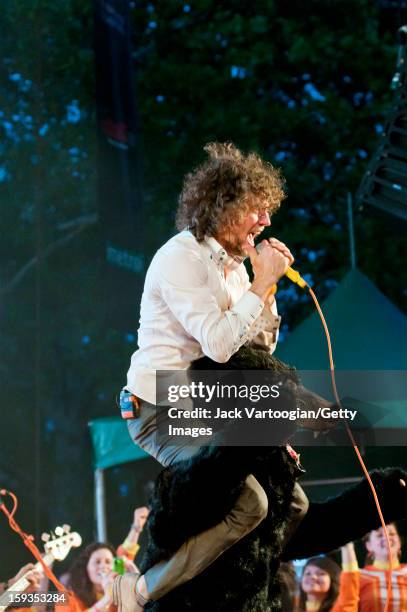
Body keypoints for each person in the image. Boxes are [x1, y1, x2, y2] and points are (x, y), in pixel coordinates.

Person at [113, 142, 321, 611]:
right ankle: (141, 589)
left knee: (293, 503)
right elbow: (219, 345)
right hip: (158, 410)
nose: (266, 222)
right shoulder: (180, 258)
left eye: (269, 211)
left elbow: (256, 350)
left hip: (209, 408)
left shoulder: (234, 266)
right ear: (224, 206)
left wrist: (263, 292)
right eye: (257, 210)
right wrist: (263, 282)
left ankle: (242, 587)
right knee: (251, 502)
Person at [57, 507, 148, 612]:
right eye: (97, 562)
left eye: (108, 562)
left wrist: (137, 527)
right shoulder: (66, 595)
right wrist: (106, 600)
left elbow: (124, 556)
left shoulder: (117, 587)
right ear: (86, 568)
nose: (103, 566)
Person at [358, 523, 407, 610]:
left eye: (391, 534)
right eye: (379, 535)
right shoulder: (358, 577)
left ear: (399, 542)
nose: (387, 538)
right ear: (368, 546)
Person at [297, 544, 359, 611]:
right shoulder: (292, 607)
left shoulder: (340, 609)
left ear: (333, 580)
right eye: (308, 573)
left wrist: (347, 547)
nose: (313, 577)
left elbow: (350, 580)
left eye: (321, 574)